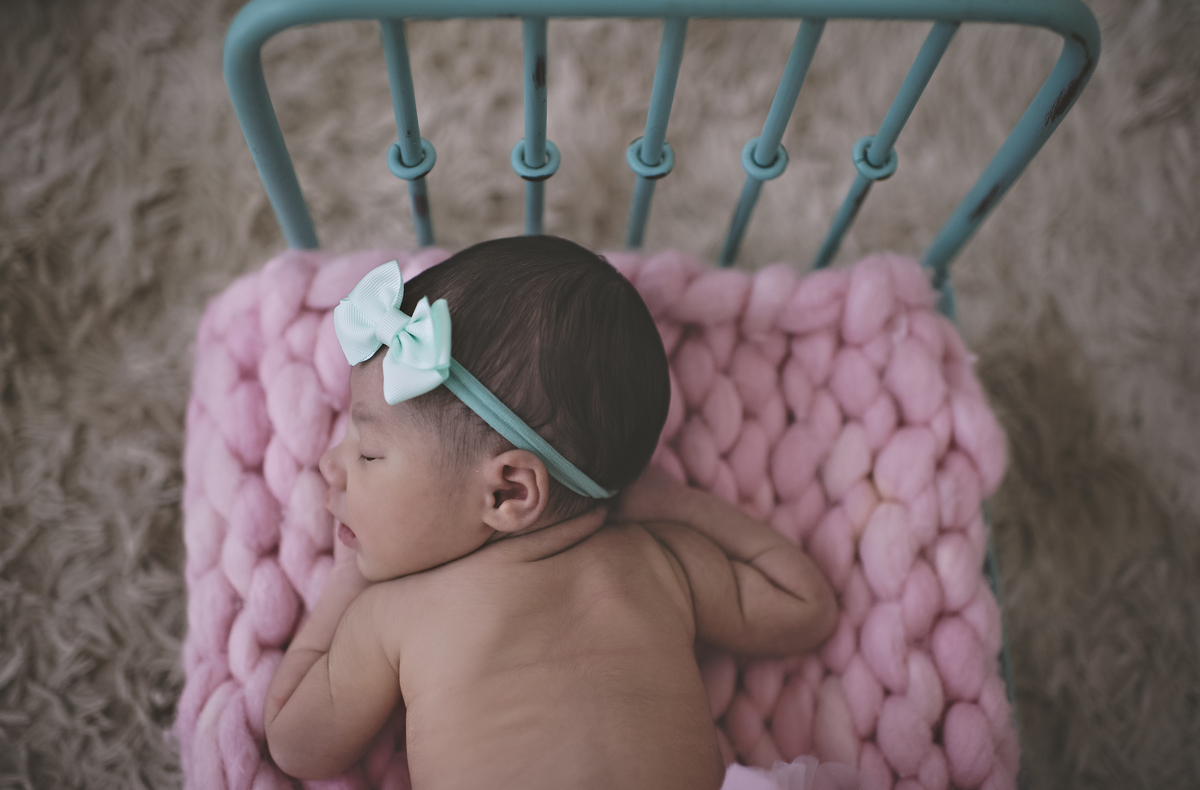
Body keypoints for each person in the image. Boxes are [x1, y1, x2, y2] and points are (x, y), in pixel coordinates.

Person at [263, 235, 838, 790]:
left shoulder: (393, 616)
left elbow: (295, 741)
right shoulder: (663, 565)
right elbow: (803, 605)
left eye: (368, 452)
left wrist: (348, 579)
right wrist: (675, 503)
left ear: (509, 492)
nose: (329, 464)